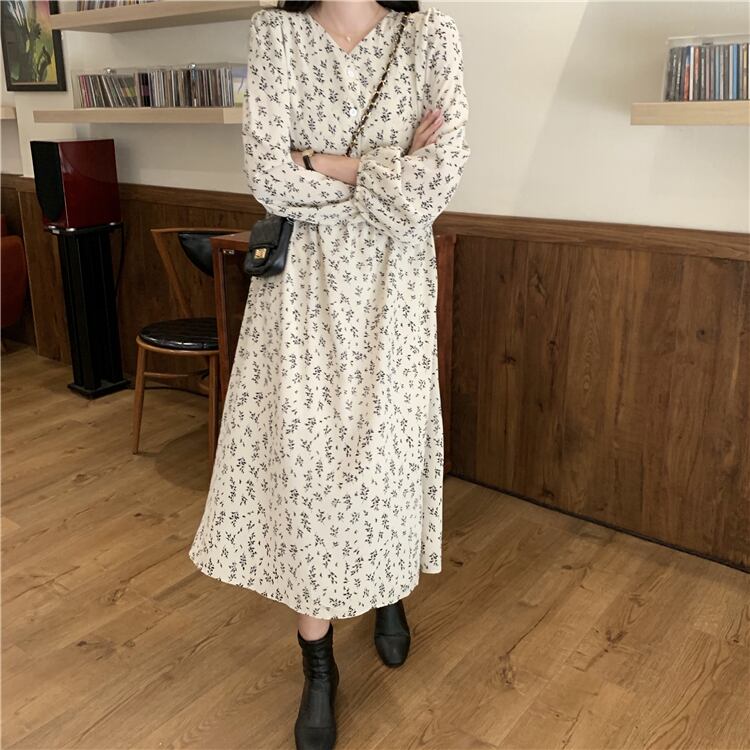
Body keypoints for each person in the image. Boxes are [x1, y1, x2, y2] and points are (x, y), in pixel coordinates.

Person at [188, 0, 470, 746]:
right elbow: (268, 178)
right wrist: (387, 169)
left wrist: (318, 161)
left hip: (392, 293)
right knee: (308, 468)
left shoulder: (429, 33)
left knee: (385, 458)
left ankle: (387, 589)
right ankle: (318, 663)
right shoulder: (275, 31)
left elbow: (437, 182)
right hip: (300, 294)